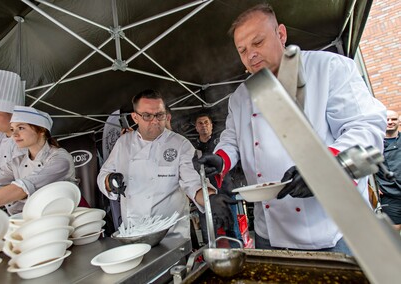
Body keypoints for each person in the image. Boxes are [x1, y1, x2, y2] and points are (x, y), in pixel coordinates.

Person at [194, 4, 386, 254]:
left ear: (281, 34)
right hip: (269, 233)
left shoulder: (328, 68)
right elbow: (232, 139)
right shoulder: (241, 96)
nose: (250, 54)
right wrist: (221, 160)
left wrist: (325, 167)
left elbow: (366, 128)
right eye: (242, 50)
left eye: (258, 42)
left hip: (333, 231)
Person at [97, 89, 235, 239]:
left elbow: (193, 183)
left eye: (159, 115)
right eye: (147, 116)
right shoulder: (123, 143)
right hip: (134, 232)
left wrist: (211, 198)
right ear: (135, 117)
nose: (155, 121)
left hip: (171, 235)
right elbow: (103, 175)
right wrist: (109, 181)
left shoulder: (180, 144)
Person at [0, 106, 77, 215]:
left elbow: (21, 189)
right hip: (29, 219)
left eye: (21, 128)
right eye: (13, 129)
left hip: (63, 218)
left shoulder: (60, 158)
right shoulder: (16, 163)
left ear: (41, 130)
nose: (14, 134)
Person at [192, 113, 243, 246]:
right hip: (205, 196)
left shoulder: (222, 143)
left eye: (206, 123)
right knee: (208, 234)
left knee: (232, 231)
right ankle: (210, 261)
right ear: (196, 127)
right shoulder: (193, 148)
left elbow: (233, 161)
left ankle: (239, 257)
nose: (204, 126)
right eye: (200, 123)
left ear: (212, 126)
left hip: (225, 192)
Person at [375, 110, 401, 231]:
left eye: (394, 119)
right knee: (393, 233)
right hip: (389, 194)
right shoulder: (375, 144)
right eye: (387, 119)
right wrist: (375, 185)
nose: (390, 122)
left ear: (399, 121)